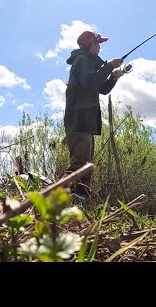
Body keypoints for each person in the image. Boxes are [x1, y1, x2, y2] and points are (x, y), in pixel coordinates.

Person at [63, 30, 123, 201]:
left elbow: (101, 89)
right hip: (79, 121)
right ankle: (53, 197)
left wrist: (112, 78)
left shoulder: (89, 64)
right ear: (91, 44)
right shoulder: (82, 60)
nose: (100, 48)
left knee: (86, 166)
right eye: (98, 44)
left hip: (85, 122)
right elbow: (90, 83)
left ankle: (80, 200)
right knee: (79, 164)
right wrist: (110, 65)